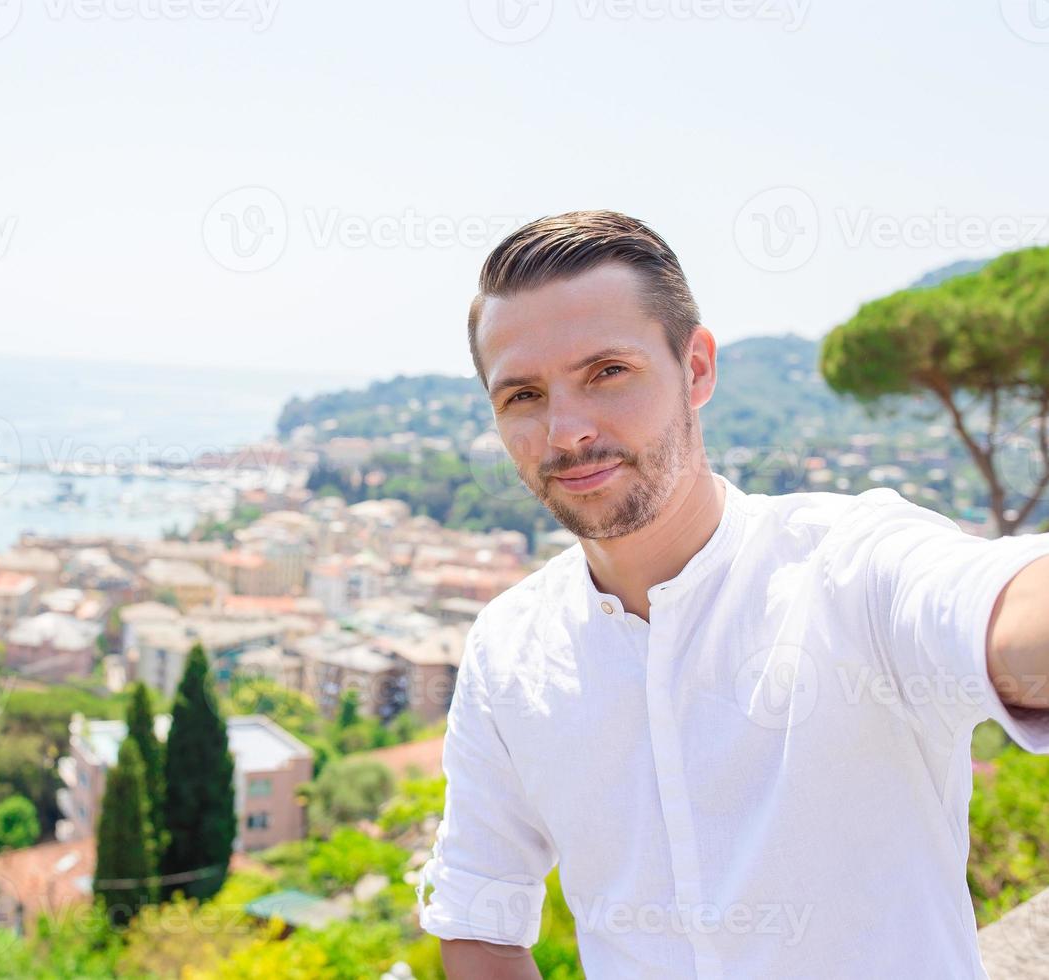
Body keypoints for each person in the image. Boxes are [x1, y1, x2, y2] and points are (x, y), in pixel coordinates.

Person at [417, 210, 1049, 979]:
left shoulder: (851, 566)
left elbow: (1006, 615)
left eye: (606, 373)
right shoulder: (508, 650)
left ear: (697, 369)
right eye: (523, 395)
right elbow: (480, 918)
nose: (565, 432)